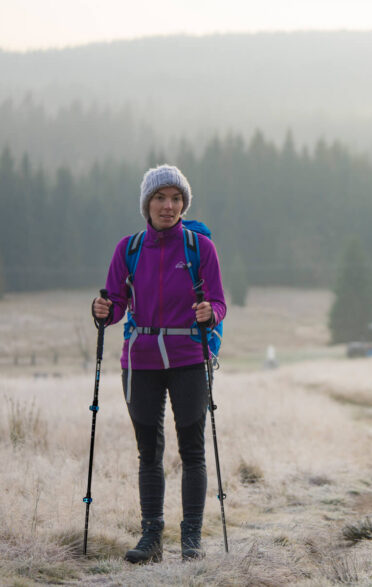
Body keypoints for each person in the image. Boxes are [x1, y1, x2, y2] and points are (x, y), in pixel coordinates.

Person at [92, 164, 227, 563]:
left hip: (189, 358)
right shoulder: (128, 249)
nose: (168, 206)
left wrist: (211, 313)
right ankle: (151, 539)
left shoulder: (200, 249)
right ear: (146, 204)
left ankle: (191, 540)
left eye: (175, 199)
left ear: (184, 204)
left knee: (193, 451)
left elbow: (219, 301)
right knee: (148, 452)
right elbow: (115, 305)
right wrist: (102, 309)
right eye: (159, 198)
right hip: (141, 362)